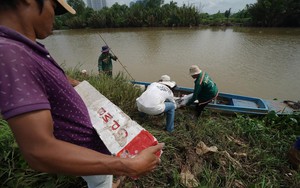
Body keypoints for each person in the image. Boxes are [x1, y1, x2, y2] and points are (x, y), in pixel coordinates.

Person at [0, 1, 163, 188]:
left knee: (102, 179)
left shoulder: (24, 48)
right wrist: (128, 166)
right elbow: (39, 151)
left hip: (92, 149)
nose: (55, 17)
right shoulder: (10, 54)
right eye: (55, 8)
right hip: (85, 154)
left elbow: (41, 77)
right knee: (99, 181)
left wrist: (70, 83)